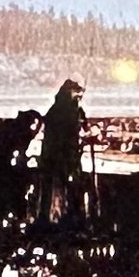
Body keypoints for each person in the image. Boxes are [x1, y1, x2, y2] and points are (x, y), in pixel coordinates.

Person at [36, 76, 88, 228]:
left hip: (65, 154)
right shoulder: (61, 112)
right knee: (57, 186)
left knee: (68, 186)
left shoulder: (70, 110)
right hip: (59, 155)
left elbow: (83, 127)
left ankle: (71, 215)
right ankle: (56, 217)